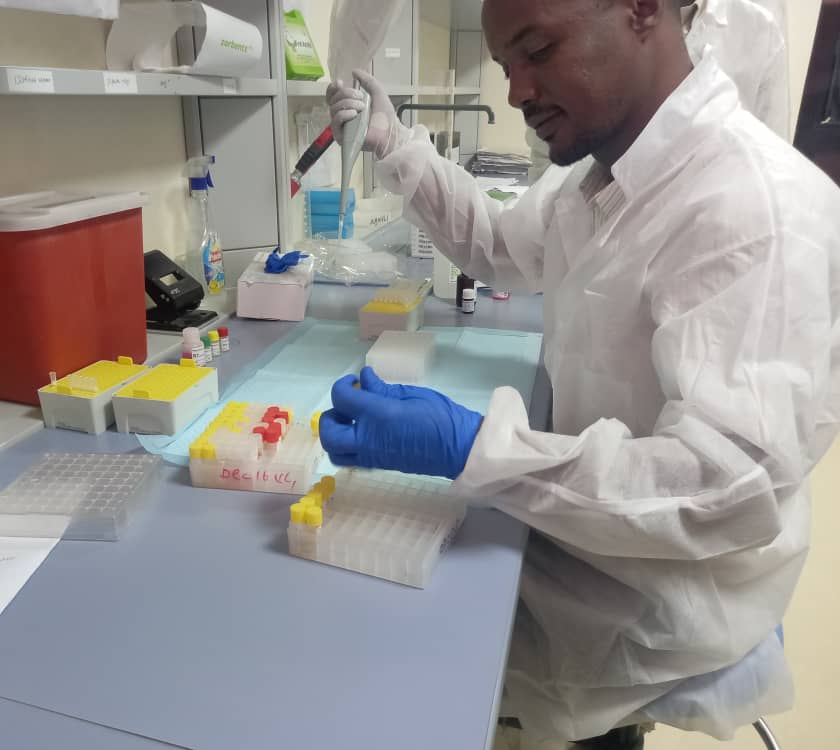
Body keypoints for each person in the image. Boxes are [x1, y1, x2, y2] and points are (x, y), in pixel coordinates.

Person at [324, 0, 840, 747]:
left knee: (369, 643)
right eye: (506, 65)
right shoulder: (605, 176)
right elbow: (500, 246)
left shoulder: (748, 210)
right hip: (597, 532)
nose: (517, 91)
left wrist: (475, 448)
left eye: (538, 49)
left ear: (642, 10)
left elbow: (724, 488)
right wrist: (395, 143)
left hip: (650, 598)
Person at [527, 0, 790, 183]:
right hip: (587, 218)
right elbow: (547, 158)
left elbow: (773, 152)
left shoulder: (756, 29)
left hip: (709, 228)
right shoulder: (587, 17)